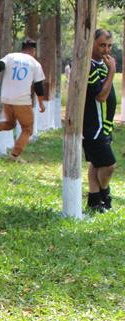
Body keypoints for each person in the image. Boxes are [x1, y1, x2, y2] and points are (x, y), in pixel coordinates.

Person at [0, 38, 46, 161]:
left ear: (22, 49)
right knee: (27, 129)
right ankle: (15, 155)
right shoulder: (35, 63)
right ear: (33, 50)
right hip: (22, 101)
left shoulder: (10, 57)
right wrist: (41, 103)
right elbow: (38, 86)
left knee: (10, 124)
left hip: (6, 98)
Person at [83, 29, 117, 212]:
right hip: (93, 127)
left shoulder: (101, 64)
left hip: (104, 126)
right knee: (109, 165)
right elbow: (101, 96)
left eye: (109, 45)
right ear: (93, 44)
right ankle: (105, 193)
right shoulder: (89, 66)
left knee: (96, 164)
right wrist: (112, 71)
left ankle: (95, 202)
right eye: (102, 45)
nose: (106, 49)